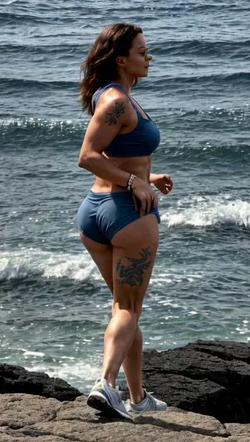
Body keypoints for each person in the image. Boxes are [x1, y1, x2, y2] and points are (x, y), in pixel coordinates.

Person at [77, 23, 173, 420]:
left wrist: (148, 178)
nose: (148, 58)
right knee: (128, 308)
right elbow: (88, 156)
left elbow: (113, 159)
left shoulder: (113, 97)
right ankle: (107, 385)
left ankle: (138, 397)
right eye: (142, 51)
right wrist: (136, 182)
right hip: (126, 215)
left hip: (96, 213)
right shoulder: (117, 100)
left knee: (125, 308)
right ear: (121, 59)